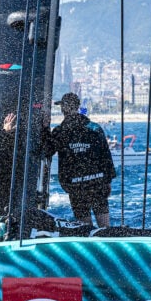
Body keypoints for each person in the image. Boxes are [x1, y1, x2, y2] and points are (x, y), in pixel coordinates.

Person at [42, 92, 115, 227]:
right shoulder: (94, 127)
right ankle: (106, 243)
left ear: (64, 108)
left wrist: (45, 129)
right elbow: (106, 156)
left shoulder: (60, 131)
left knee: (85, 228)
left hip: (76, 185)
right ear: (77, 107)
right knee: (105, 227)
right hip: (97, 182)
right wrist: (108, 180)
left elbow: (46, 151)